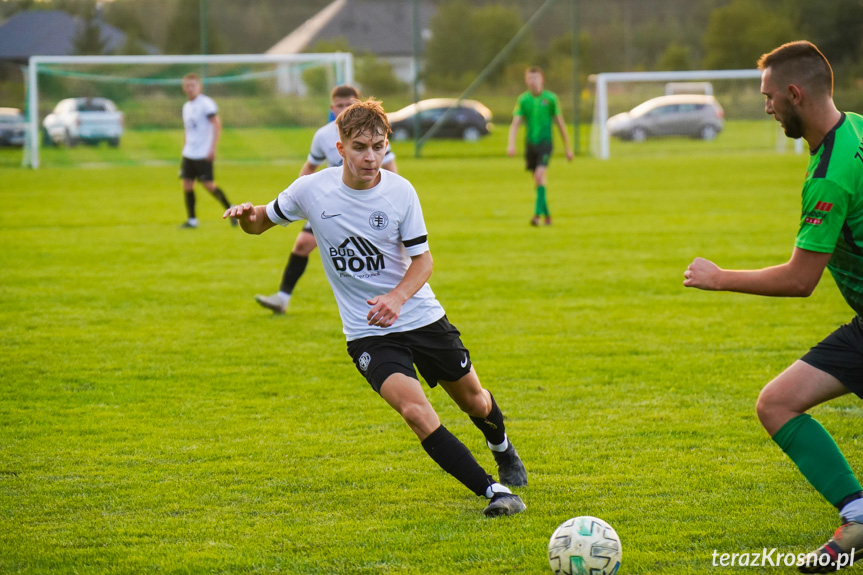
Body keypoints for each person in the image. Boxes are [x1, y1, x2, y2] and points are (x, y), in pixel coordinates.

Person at [225, 99, 527, 517]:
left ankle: (503, 448)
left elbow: (424, 261)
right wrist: (245, 216)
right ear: (341, 147)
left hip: (420, 316)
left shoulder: (400, 192)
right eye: (361, 147)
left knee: (474, 401)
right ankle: (495, 492)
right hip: (367, 331)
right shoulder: (311, 190)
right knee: (415, 411)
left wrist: (396, 297)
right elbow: (261, 221)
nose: (371, 157)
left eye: (378, 147)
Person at [684, 41, 863, 573]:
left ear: (794, 93)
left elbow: (800, 279)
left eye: (768, 97)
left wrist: (720, 279)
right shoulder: (854, 126)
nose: (765, 108)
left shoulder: (831, 172)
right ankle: (857, 514)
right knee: (777, 402)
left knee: (776, 403)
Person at [254, 85, 398, 315]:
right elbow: (310, 167)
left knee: (374, 255)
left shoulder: (370, 133)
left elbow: (390, 167)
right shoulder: (323, 135)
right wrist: (298, 194)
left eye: (348, 104)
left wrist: (391, 195)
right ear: (332, 108)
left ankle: (388, 301)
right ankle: (282, 298)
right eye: (339, 106)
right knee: (302, 244)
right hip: (331, 204)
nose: (344, 109)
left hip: (365, 204)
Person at [507, 66, 574, 227]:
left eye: (535, 78)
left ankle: (537, 216)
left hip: (545, 144)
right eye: (530, 78)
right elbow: (515, 123)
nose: (533, 81)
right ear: (526, 80)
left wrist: (567, 147)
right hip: (531, 145)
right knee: (539, 182)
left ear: (541, 79)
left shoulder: (551, 99)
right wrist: (511, 143)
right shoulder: (523, 100)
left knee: (539, 176)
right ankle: (547, 216)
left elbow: (559, 123)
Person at [178, 73, 235, 229]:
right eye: (187, 86)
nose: (190, 89)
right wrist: (184, 147)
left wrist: (212, 148)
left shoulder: (206, 104)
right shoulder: (186, 106)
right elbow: (188, 129)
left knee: (209, 185)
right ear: (184, 88)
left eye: (193, 86)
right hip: (189, 153)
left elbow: (216, 124)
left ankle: (231, 209)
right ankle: (192, 220)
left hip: (203, 153)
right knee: (187, 185)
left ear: (199, 87)